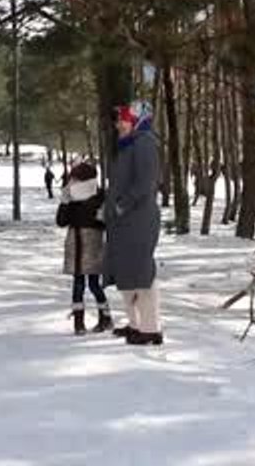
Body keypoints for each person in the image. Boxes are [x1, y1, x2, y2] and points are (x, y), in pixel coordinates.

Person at [103, 100, 164, 346]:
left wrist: (122, 205)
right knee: (126, 272)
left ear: (137, 120)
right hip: (124, 220)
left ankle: (151, 329)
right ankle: (135, 324)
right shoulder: (129, 145)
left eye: (123, 119)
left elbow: (145, 183)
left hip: (138, 218)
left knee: (141, 273)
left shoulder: (145, 144)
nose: (118, 124)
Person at [56, 162, 112, 335]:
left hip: (90, 241)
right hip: (76, 240)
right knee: (79, 282)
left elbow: (106, 221)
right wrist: (64, 202)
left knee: (92, 283)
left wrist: (101, 216)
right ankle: (80, 321)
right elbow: (61, 221)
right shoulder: (72, 197)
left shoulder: (100, 196)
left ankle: (104, 317)